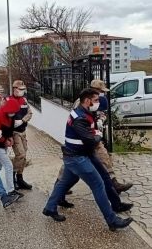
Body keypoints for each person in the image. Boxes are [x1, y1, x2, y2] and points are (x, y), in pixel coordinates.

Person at [43, 89, 133, 231]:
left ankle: (50, 207)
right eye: (96, 100)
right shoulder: (79, 118)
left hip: (80, 154)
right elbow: (91, 140)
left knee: (67, 181)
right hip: (77, 157)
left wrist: (95, 130)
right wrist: (98, 133)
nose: (98, 103)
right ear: (87, 101)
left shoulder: (84, 112)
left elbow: (90, 134)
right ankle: (112, 220)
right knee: (98, 185)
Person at [71, 79, 133, 193]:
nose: (102, 93)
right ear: (94, 90)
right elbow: (76, 119)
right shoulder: (80, 102)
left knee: (104, 156)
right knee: (71, 166)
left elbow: (103, 113)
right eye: (100, 91)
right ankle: (60, 186)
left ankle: (114, 183)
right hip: (81, 137)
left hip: (94, 137)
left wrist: (100, 120)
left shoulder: (101, 101)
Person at [0, 97, 24, 198]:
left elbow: (10, 129)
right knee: (9, 166)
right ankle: (11, 191)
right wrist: (5, 141)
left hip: (3, 144)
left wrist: (10, 138)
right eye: (12, 112)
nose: (13, 114)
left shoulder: (10, 115)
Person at [5, 80, 33, 190]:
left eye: (23, 89)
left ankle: (20, 178)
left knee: (24, 155)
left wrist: (22, 120)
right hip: (14, 132)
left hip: (22, 131)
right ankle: (13, 177)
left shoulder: (24, 100)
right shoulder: (8, 100)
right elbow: (5, 117)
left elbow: (30, 113)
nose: (22, 91)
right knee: (20, 154)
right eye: (20, 89)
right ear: (14, 89)